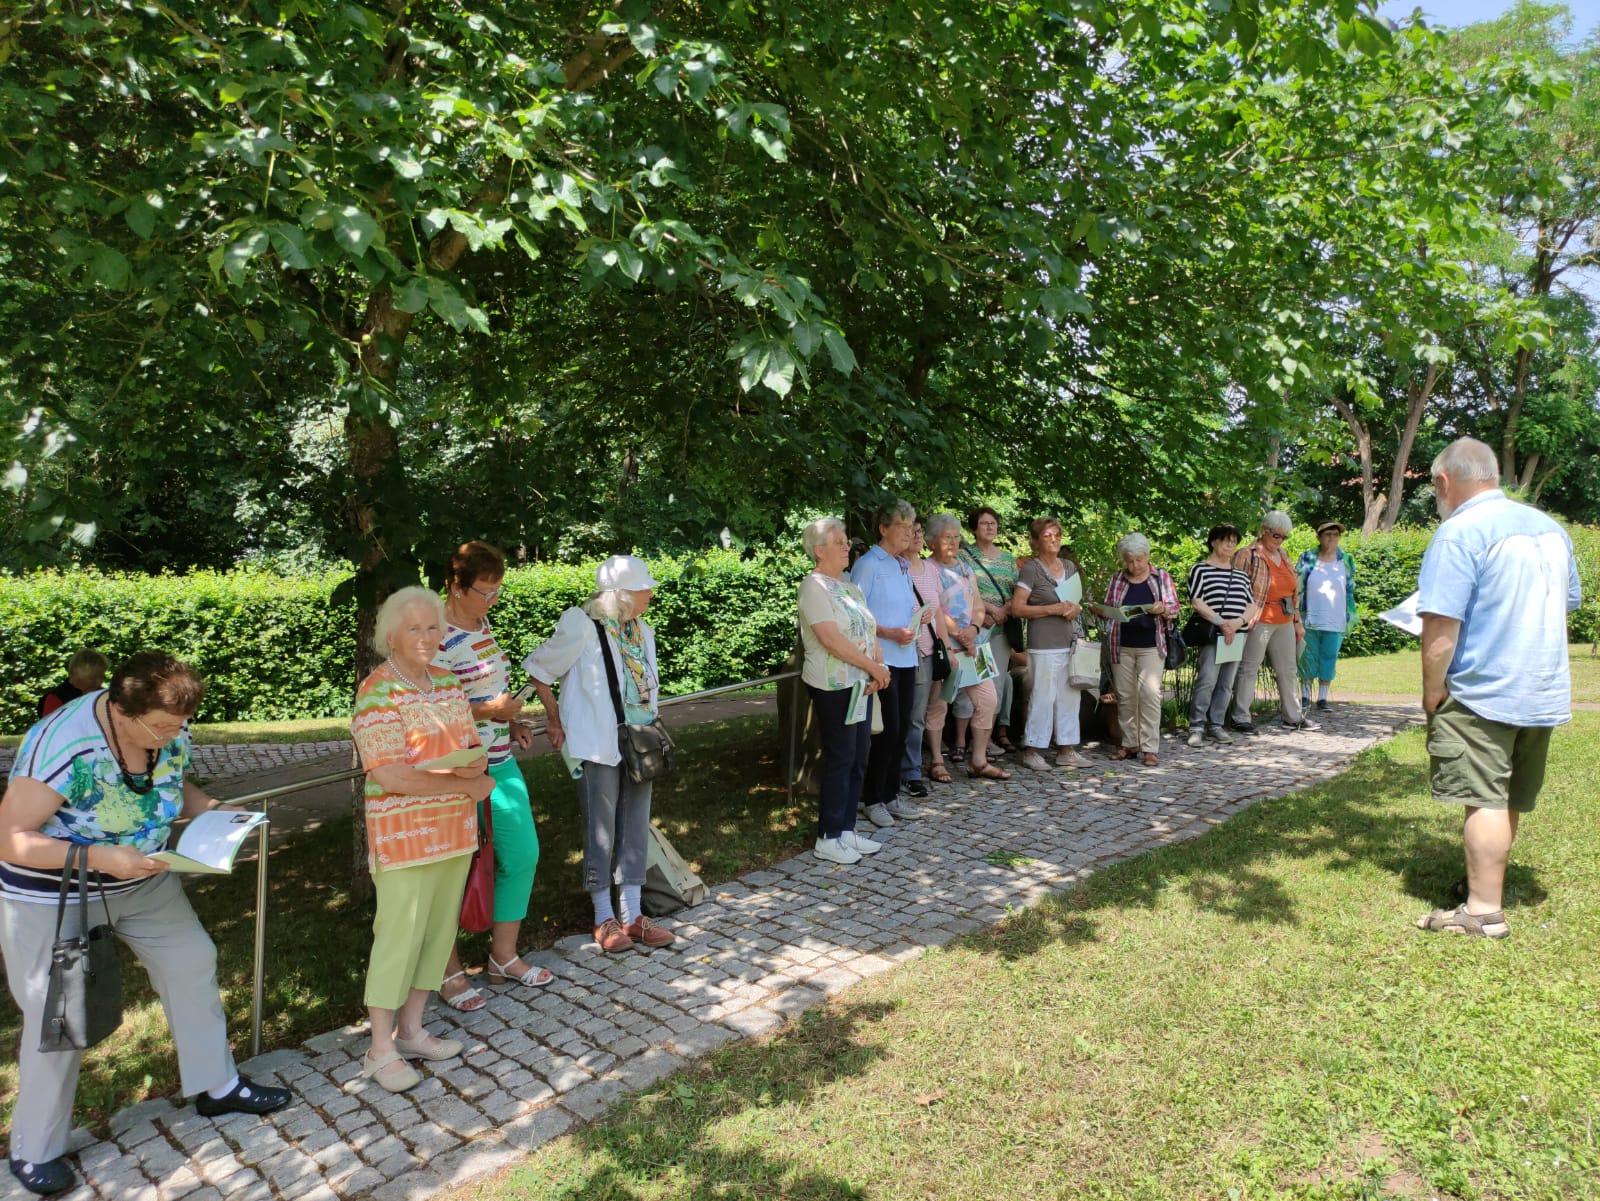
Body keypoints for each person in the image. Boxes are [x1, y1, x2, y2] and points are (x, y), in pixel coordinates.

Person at [1, 652, 291, 1195]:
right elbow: (11, 838)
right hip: (56, 892)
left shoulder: (169, 724)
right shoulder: (64, 743)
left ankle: (216, 1085)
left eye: (181, 725)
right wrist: (101, 859)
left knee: (192, 962)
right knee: (59, 1012)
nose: (173, 735)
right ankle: (34, 1149)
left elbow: (173, 781)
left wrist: (207, 808)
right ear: (121, 710)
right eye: (160, 727)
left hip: (144, 877)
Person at [1415, 437, 1581, 940]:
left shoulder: (1459, 532)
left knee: (1482, 796)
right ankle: (1485, 885)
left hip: (1482, 688)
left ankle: (1484, 911)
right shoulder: (1550, 527)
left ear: (1445, 482)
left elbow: (1441, 626)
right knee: (1506, 794)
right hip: (1542, 686)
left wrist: (1431, 691)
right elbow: (1566, 602)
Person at [351, 587, 486, 1093]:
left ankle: (411, 1030)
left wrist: (475, 772)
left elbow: (470, 745)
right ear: (391, 637)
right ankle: (379, 1048)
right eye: (415, 629)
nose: (427, 637)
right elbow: (389, 776)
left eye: (433, 627)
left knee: (436, 932)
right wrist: (465, 782)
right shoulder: (377, 690)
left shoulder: (448, 681)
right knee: (398, 935)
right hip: (404, 834)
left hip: (453, 827)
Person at [523, 556, 678, 952]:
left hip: (639, 742)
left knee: (635, 824)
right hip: (595, 742)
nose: (651, 594)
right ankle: (602, 917)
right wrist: (554, 720)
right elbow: (540, 670)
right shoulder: (582, 624)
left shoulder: (642, 629)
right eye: (645, 588)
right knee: (601, 828)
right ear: (623, 595)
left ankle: (632, 916)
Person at [433, 541, 551, 1014]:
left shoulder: (480, 625)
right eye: (485, 591)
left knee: (522, 855)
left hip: (499, 760)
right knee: (451, 872)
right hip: (456, 770)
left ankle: (503, 956)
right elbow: (430, 707)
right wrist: (489, 710)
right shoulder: (433, 635)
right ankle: (448, 972)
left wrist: (510, 720)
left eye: (498, 590)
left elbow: (485, 690)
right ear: (455, 585)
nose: (493, 600)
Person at [795, 519, 890, 865]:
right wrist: (871, 667)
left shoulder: (850, 587)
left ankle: (847, 828)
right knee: (840, 757)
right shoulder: (813, 586)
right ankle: (828, 835)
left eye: (846, 541)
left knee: (859, 754)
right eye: (838, 542)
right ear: (820, 550)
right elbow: (831, 639)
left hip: (860, 684)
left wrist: (877, 661)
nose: (846, 546)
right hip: (833, 685)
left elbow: (868, 628)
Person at [848, 500, 921, 827]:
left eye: (912, 527)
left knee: (901, 729)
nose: (909, 533)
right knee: (885, 730)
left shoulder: (901, 564)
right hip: (882, 660)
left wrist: (918, 621)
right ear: (883, 528)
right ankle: (872, 797)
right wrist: (889, 631)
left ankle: (890, 794)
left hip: (907, 658)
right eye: (903, 527)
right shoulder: (869, 564)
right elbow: (855, 615)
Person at [923, 514, 1009, 781]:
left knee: (988, 699)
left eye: (957, 536)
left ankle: (979, 760)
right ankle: (937, 760)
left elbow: (978, 605)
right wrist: (960, 635)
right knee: (938, 705)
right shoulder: (927, 570)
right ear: (932, 541)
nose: (953, 541)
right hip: (946, 647)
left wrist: (972, 630)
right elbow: (934, 608)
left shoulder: (964, 568)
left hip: (974, 646)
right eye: (947, 537)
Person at [1009, 517, 1090, 772]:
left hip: (1070, 641)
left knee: (1070, 696)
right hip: (1043, 643)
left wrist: (1075, 608)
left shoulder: (1068, 566)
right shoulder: (1031, 569)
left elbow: (1077, 602)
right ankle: (1032, 749)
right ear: (1036, 541)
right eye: (1047, 535)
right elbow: (1017, 608)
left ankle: (1066, 749)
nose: (1054, 539)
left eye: (1057, 534)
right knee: (1042, 696)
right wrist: (1051, 609)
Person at [1228, 512, 1318, 733]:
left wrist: (1297, 621)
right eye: (1276, 535)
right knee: (1250, 668)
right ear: (1264, 530)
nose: (1280, 540)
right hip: (1258, 618)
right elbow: (1235, 590)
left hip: (1284, 619)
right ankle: (1241, 717)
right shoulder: (1246, 555)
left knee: (1288, 670)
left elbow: (1293, 591)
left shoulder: (1284, 554)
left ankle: (1292, 716)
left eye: (1284, 537)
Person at [1097, 533, 1179, 767]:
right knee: (1125, 696)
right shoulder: (1117, 579)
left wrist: (1162, 608)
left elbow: (1174, 609)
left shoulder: (1161, 577)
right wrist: (1104, 611)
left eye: (1139, 560)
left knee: (1150, 694)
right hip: (1121, 644)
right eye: (1129, 561)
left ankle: (1150, 748)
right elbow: (1109, 607)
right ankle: (1129, 743)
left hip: (1151, 645)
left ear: (1147, 556)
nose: (1134, 566)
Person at [1185, 525, 1256, 747]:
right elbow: (1197, 601)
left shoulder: (1241, 575)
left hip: (1236, 635)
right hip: (1213, 634)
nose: (1230, 545)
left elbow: (1252, 605)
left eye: (1234, 541)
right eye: (1226, 540)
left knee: (1226, 683)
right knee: (1206, 680)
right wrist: (1221, 623)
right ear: (1213, 542)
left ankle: (1216, 724)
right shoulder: (1200, 569)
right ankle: (1196, 726)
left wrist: (1236, 623)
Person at [960, 507, 1022, 753]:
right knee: (972, 683)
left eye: (993, 523)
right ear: (974, 528)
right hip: (975, 629)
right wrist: (985, 611)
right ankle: (960, 741)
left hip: (1000, 632)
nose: (990, 527)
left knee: (995, 685)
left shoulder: (1007, 559)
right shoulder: (965, 556)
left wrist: (1003, 611)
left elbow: (1018, 590)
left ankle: (985, 741)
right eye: (984, 523)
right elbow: (962, 588)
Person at [900, 520, 944, 795]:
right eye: (911, 532)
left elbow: (940, 611)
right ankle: (909, 772)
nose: (916, 537)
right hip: (906, 649)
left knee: (922, 713)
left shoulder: (931, 569)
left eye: (919, 532)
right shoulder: (897, 568)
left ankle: (911, 768)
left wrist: (947, 648)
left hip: (929, 649)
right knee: (910, 715)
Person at [1296, 521, 1358, 713]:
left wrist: (1350, 615)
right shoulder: (1307, 557)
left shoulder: (1346, 560)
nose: (1332, 538)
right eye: (1327, 534)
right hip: (1310, 616)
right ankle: (1305, 695)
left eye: (1335, 535)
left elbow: (1350, 590)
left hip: (1336, 618)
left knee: (1329, 657)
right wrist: (1296, 614)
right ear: (1319, 537)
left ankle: (1323, 698)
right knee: (1307, 657)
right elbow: (1297, 587)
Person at [36, 650, 108, 717]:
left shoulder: (104, 696)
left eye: (102, 676)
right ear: (77, 674)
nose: (99, 681)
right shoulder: (55, 698)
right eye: (94, 678)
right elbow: (52, 728)